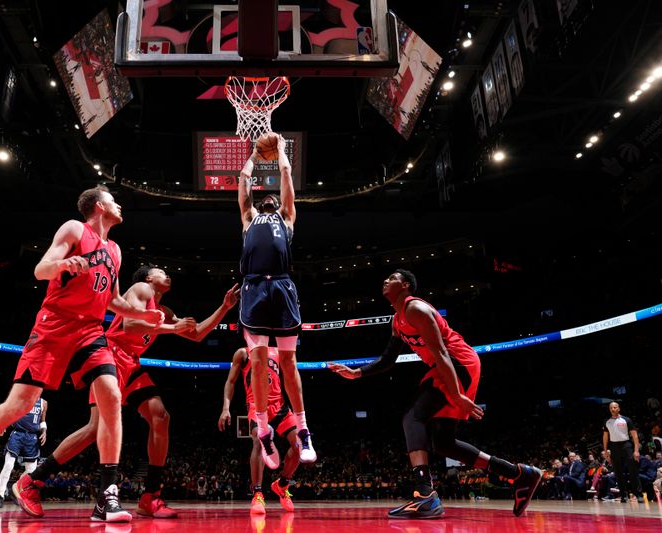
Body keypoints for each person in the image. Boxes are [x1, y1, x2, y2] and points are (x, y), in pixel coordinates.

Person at [0, 186, 164, 522]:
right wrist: (63, 264)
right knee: (20, 404)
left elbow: (113, 301)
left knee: (112, 396)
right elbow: (41, 270)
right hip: (55, 327)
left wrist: (143, 316)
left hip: (90, 332)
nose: (120, 204)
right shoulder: (74, 229)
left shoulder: (115, 249)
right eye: (114, 200)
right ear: (99, 206)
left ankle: (106, 498)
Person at [12, 265, 239, 520]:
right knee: (96, 428)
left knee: (160, 417)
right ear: (148, 278)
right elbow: (131, 325)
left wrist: (225, 308)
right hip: (109, 356)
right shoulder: (141, 289)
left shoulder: (165, 311)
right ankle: (31, 481)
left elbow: (196, 334)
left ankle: (150, 496)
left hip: (131, 363)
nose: (167, 274)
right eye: (161, 271)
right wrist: (172, 329)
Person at [329, 269, 542, 519]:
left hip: (457, 363)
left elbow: (441, 352)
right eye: (384, 277)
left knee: (413, 417)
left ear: (406, 285)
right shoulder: (397, 320)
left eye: (392, 277)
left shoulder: (416, 309)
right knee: (442, 442)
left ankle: (425, 494)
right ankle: (519, 474)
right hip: (445, 368)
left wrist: (458, 395)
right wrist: (357, 373)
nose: (385, 280)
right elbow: (388, 359)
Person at [237, 133, 315, 470]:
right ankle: (264, 428)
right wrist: (253, 157)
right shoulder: (247, 218)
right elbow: (243, 184)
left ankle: (303, 429)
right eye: (262, 199)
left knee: (288, 362)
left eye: (272, 199)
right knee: (256, 361)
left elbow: (286, 181)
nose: (268, 200)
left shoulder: (287, 217)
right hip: (254, 287)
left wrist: (282, 154)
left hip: (282, 288)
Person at [219, 347, 301, 515]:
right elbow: (231, 382)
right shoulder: (242, 353)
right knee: (258, 440)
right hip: (257, 406)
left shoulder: (279, 351)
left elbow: (291, 379)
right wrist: (226, 408)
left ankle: (282, 485)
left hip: (280, 406)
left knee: (300, 444)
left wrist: (299, 411)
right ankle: (257, 494)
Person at [0, 396, 47, 508]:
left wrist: (44, 431)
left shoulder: (43, 403)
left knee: (31, 471)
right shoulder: (21, 397)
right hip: (17, 434)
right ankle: (0, 496)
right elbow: (9, 412)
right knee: (8, 465)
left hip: (32, 437)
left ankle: (15, 488)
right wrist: (3, 424)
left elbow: (42, 421)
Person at [603, 401, 643, 502]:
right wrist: (605, 451)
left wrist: (636, 450)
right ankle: (623, 495)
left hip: (626, 445)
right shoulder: (607, 421)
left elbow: (634, 436)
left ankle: (638, 494)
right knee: (618, 472)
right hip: (614, 447)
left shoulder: (626, 420)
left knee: (633, 470)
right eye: (611, 408)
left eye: (615, 407)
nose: (613, 409)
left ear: (619, 408)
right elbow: (605, 437)